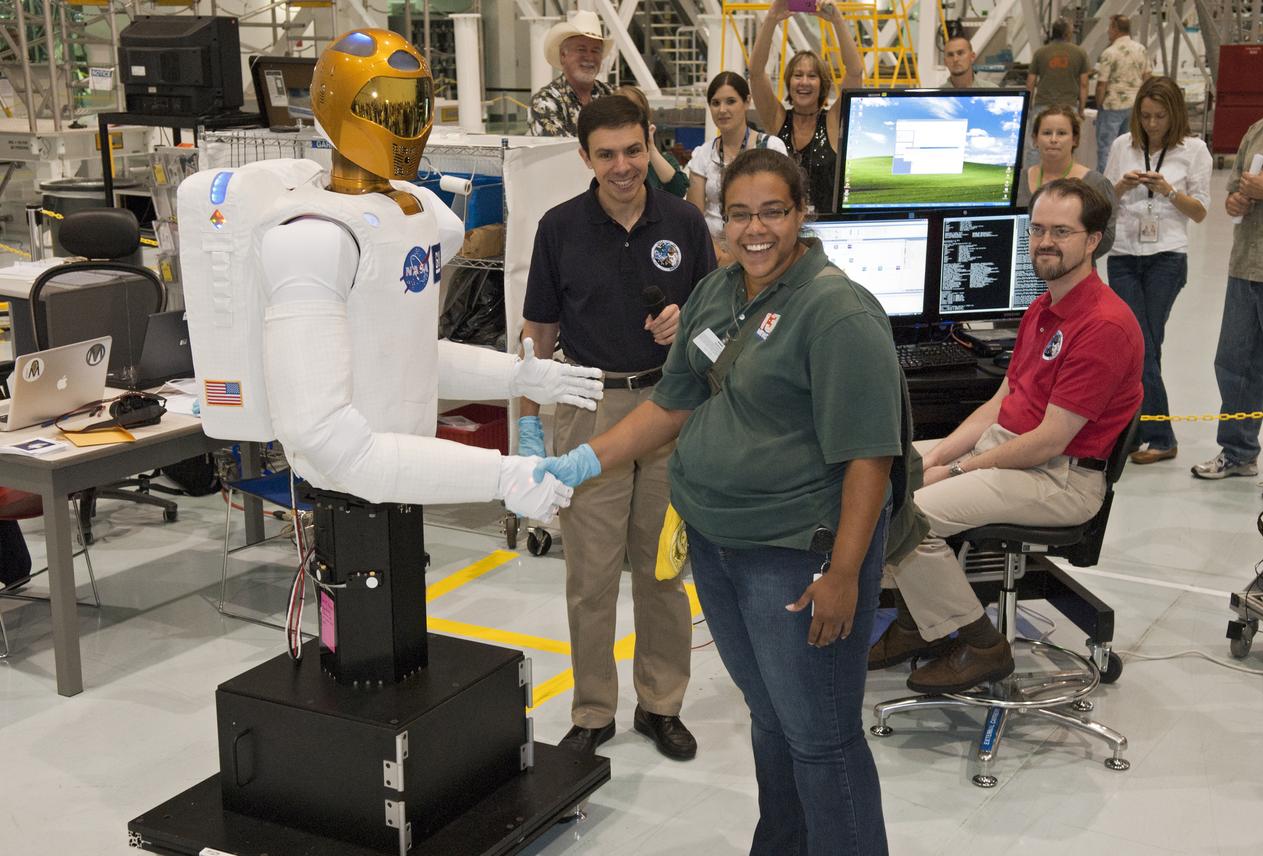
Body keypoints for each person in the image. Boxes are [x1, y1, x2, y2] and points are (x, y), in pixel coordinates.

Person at [536, 148, 898, 855]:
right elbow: (672, 401)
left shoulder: (834, 311)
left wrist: (846, 573)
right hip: (718, 545)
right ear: (721, 220)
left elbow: (870, 457)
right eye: (739, 214)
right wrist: (580, 462)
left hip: (795, 556)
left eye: (772, 212)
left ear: (801, 214)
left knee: (822, 738)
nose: (754, 229)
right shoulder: (719, 292)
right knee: (769, 718)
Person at [181, 29, 599, 541]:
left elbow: (408, 356)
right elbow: (326, 437)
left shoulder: (417, 214)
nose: (402, 125)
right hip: (350, 485)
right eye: (381, 107)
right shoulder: (312, 238)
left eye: (412, 106)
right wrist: (499, 475)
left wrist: (517, 377)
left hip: (399, 471)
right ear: (335, 107)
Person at [870, 178, 1142, 694]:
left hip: (1060, 479)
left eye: (1062, 231)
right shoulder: (1044, 307)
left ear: (1093, 240)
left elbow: (1049, 440)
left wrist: (951, 470)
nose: (1045, 241)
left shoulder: (1103, 324)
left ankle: (981, 643)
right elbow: (1000, 403)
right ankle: (916, 628)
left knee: (910, 515)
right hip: (1010, 455)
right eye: (1037, 229)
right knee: (879, 474)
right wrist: (934, 455)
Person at [520, 96, 715, 760]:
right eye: (606, 155)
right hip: (587, 405)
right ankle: (594, 708)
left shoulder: (685, 222)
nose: (623, 166)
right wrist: (526, 427)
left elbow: (719, 329)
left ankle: (661, 704)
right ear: (585, 158)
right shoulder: (559, 228)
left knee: (663, 571)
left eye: (634, 150)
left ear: (650, 142)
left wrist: (687, 324)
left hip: (670, 405)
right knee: (591, 574)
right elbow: (537, 334)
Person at [1104, 76, 1210, 465]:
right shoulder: (1122, 146)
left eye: (1160, 116)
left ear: (1174, 114)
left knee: (1144, 345)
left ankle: (1158, 435)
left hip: (1167, 256)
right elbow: (1105, 200)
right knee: (1136, 346)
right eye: (1145, 116)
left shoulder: (1194, 150)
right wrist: (1120, 185)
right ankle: (1139, 432)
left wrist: (1167, 190)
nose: (1151, 124)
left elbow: (1199, 212)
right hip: (1123, 255)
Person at [1192, 47, 1263, 484]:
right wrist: (1236, 199)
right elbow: (1231, 195)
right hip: (1245, 264)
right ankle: (1238, 451)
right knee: (1235, 363)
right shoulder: (1258, 131)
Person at [749, 0, 863, 213]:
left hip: (825, 231)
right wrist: (772, 17)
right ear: (789, 82)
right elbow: (756, 72)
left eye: (812, 76)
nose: (804, 82)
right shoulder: (776, 118)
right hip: (781, 229)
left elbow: (855, 72)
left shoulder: (832, 121)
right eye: (798, 75)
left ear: (822, 85)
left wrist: (837, 20)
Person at [687, 71, 788, 258]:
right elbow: (694, 218)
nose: (722, 110)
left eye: (730, 101)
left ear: (747, 101)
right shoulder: (702, 154)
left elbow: (781, 208)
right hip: (714, 252)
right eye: (716, 103)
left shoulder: (771, 147)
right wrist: (719, 255)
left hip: (761, 245)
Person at [1017, 106, 1116, 259]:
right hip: (1023, 271)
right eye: (1047, 133)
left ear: (1075, 139)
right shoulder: (1017, 181)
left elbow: (1106, 239)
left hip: (1075, 274)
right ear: (1035, 139)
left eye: (1062, 133)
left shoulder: (1096, 184)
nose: (1053, 139)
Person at [528, 10, 614, 137]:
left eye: (595, 51)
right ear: (563, 56)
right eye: (581, 49)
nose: (589, 57)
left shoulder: (612, 94)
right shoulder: (545, 102)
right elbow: (560, 151)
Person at [1094, 15, 1151, 173]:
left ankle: (1104, 186)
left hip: (1112, 105)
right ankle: (1127, 180)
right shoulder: (1141, 50)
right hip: (1135, 106)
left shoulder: (1109, 53)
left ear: (1115, 29)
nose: (1108, 31)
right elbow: (1147, 78)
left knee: (1107, 148)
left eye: (1109, 28)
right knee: (1130, 148)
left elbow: (1101, 84)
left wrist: (1099, 105)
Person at [615, 85, 690, 198]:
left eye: (634, 114)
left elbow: (678, 190)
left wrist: (651, 148)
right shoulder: (611, 160)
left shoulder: (664, 160)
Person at [1027, 18, 1090, 116]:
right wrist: (1081, 109)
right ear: (1067, 33)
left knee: (1041, 131)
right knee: (1065, 131)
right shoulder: (1080, 53)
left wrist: (1028, 106)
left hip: (1042, 106)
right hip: (1068, 107)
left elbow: (1030, 83)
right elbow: (1084, 84)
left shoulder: (1040, 53)